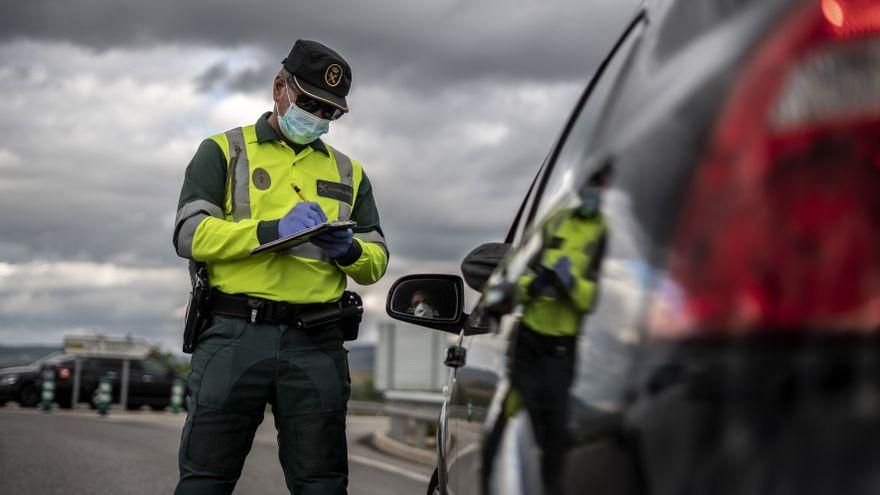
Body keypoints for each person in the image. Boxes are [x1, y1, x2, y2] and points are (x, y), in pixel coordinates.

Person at [171, 39, 388, 495]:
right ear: (279, 87)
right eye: (309, 103)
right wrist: (271, 232)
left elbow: (376, 261)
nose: (318, 118)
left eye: (330, 112)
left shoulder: (351, 173)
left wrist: (347, 251)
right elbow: (190, 235)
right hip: (234, 334)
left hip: (316, 343)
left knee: (322, 485)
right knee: (204, 481)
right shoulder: (223, 151)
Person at [507, 166, 610, 491]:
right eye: (589, 182)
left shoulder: (604, 231)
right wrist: (534, 284)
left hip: (561, 352)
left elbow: (592, 298)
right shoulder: (556, 220)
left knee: (554, 442)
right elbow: (518, 274)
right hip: (527, 341)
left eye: (599, 184)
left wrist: (568, 285)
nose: (592, 190)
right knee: (509, 425)